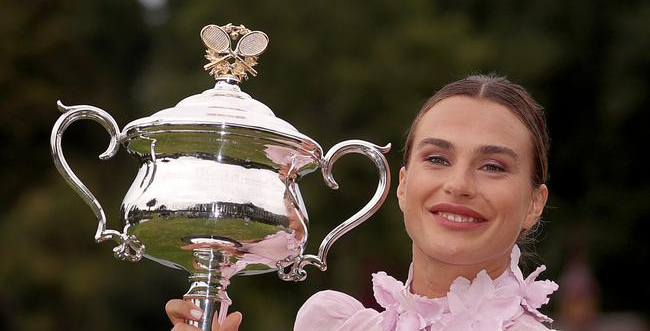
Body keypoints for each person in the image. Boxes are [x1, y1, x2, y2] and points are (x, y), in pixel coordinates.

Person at [166, 75, 559, 331]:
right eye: (437, 159)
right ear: (403, 185)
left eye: (492, 166)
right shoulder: (333, 324)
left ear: (533, 204)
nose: (459, 184)